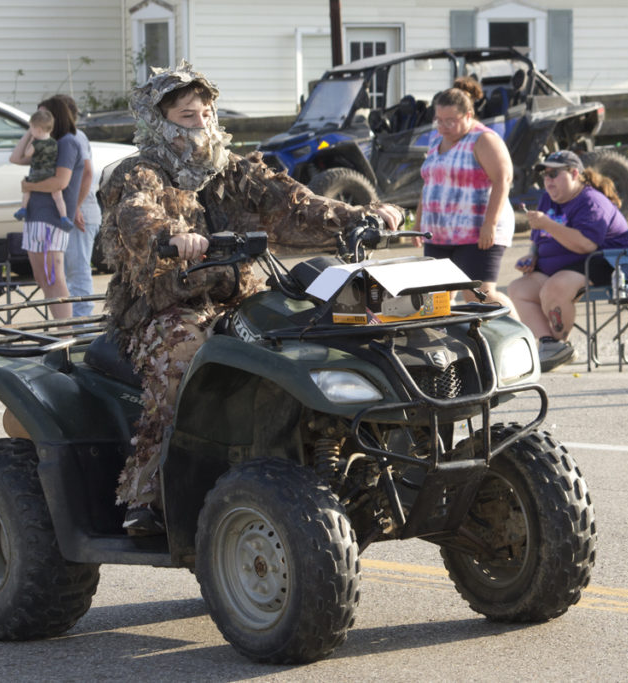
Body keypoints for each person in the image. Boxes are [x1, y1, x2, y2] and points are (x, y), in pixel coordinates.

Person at [96, 61, 403, 534]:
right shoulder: (140, 172)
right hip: (164, 309)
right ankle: (148, 493)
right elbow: (137, 214)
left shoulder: (232, 170)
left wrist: (361, 215)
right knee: (181, 359)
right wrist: (172, 236)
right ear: (160, 122)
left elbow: (294, 204)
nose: (200, 124)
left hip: (237, 298)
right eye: (186, 116)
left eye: (205, 114)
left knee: (307, 333)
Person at [508, 150, 628, 371]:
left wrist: (548, 224)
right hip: (559, 266)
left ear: (574, 173)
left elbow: (586, 245)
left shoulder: (591, 201)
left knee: (554, 289)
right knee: (518, 289)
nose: (548, 180)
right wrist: (531, 256)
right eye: (545, 175)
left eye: (554, 174)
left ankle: (558, 345)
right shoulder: (547, 199)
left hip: (597, 261)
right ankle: (550, 345)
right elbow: (537, 239)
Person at [417, 84, 518, 317]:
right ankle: (452, 338)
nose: (443, 126)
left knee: (479, 295)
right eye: (439, 120)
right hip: (439, 232)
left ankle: (520, 332)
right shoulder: (437, 138)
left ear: (468, 115)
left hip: (476, 232)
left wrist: (490, 224)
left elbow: (503, 179)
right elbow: (429, 181)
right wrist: (419, 222)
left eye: (450, 121)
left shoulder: (483, 139)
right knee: (437, 298)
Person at [9, 96, 84, 320]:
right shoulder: (44, 143)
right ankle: (61, 328)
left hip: (52, 218)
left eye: (44, 115)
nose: (39, 119)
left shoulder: (67, 143)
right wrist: (32, 130)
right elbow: (16, 157)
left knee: (53, 277)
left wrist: (30, 186)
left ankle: (65, 333)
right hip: (34, 215)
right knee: (41, 278)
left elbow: (60, 182)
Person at [57, 94, 100, 318]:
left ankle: (84, 326)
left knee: (78, 271)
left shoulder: (75, 137)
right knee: (66, 273)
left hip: (81, 213)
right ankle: (71, 323)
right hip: (69, 213)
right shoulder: (61, 138)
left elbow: (87, 173)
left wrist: (75, 206)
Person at [12, 110, 76, 231]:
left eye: (31, 128)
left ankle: (23, 209)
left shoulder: (36, 144)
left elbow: (27, 154)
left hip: (37, 173)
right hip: (50, 173)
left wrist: (31, 141)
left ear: (38, 130)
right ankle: (64, 217)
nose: (31, 131)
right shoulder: (54, 142)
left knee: (27, 190)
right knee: (58, 197)